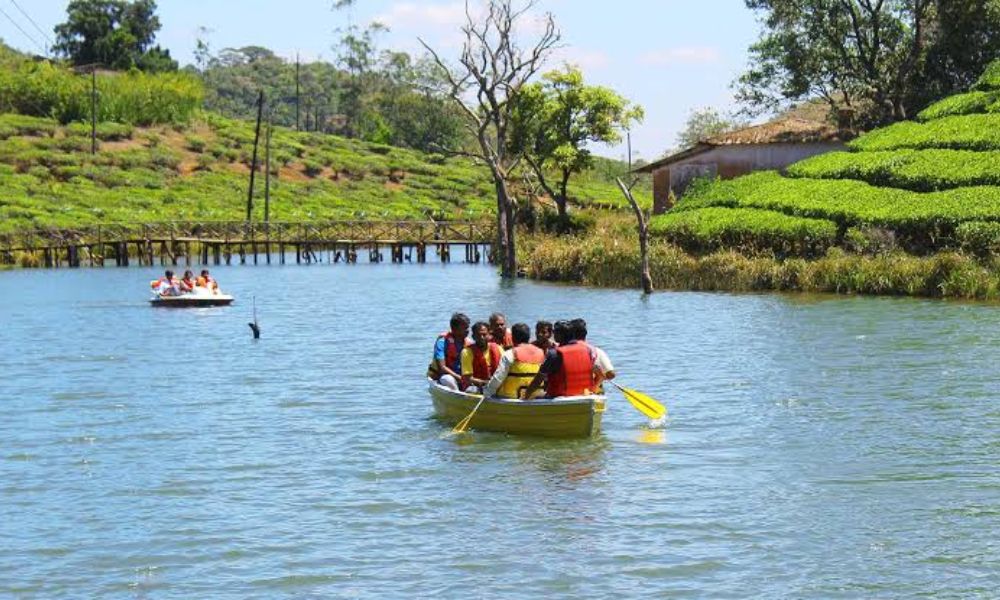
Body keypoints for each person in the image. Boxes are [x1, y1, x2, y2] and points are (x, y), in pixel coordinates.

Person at [523, 320, 596, 399]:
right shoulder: (587, 350)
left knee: (534, 395)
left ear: (560, 335)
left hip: (558, 396)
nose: (554, 334)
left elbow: (538, 380)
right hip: (583, 395)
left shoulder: (554, 354)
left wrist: (526, 395)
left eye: (555, 332)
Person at [483, 322, 546, 399]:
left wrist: (487, 392)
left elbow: (498, 377)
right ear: (528, 337)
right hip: (536, 396)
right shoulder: (541, 352)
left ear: (513, 337)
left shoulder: (510, 353)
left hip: (511, 397)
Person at [427, 313, 471, 390]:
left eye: (468, 327)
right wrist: (460, 378)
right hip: (444, 376)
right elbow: (442, 368)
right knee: (449, 380)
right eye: (465, 328)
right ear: (454, 329)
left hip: (463, 375)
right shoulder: (442, 342)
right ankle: (457, 395)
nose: (468, 330)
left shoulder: (469, 343)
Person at [570, 318, 615, 391]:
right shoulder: (598, 351)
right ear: (585, 333)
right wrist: (601, 377)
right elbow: (611, 374)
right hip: (593, 391)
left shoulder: (563, 351)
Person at [461, 321, 502, 392]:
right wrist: (485, 383)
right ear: (473, 336)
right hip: (476, 386)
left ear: (489, 335)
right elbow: (467, 378)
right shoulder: (467, 352)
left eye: (484, 334)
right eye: (478, 335)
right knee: (470, 390)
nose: (481, 337)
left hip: (495, 386)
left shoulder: (498, 348)